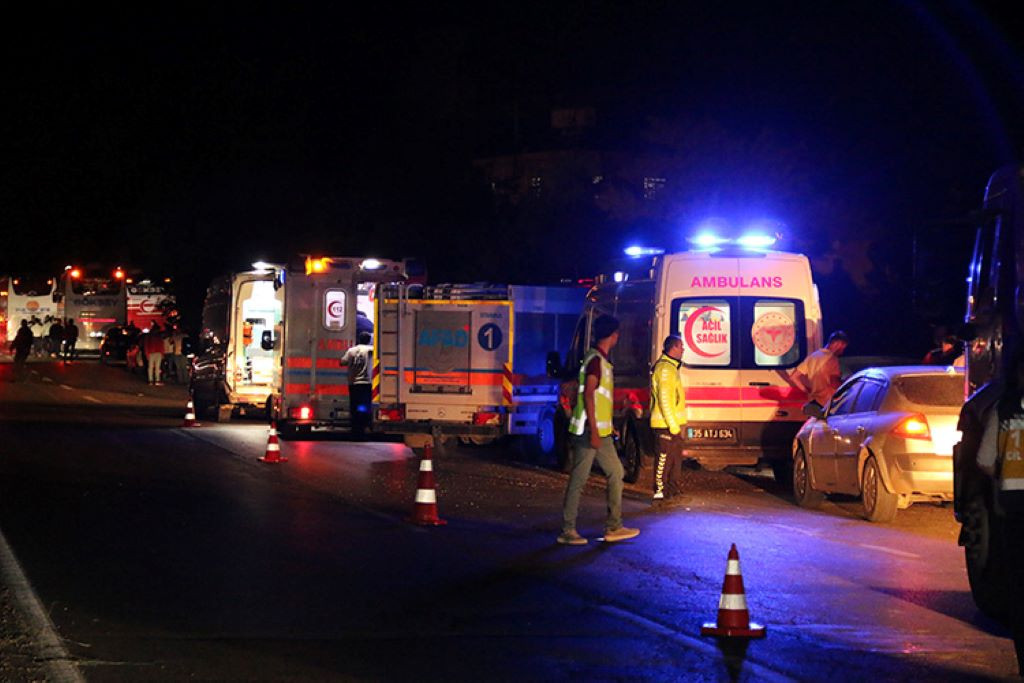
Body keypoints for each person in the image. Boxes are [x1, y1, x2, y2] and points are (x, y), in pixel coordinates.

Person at [559, 314, 640, 545]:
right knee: (579, 479)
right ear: (613, 335)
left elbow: (598, 398)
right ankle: (568, 530)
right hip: (589, 431)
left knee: (616, 472)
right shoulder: (596, 361)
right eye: (617, 333)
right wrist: (595, 430)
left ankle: (614, 526)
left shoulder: (599, 360)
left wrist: (608, 426)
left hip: (600, 432)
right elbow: (589, 394)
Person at [650, 335, 687, 504]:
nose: (683, 349)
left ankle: (673, 490)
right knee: (664, 460)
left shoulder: (671, 367)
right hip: (665, 425)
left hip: (673, 424)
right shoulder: (665, 369)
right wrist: (673, 426)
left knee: (674, 460)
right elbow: (665, 400)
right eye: (681, 346)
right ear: (673, 347)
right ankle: (660, 492)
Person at [790, 330, 849, 407]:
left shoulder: (813, 356)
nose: (842, 352)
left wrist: (807, 391)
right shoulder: (832, 359)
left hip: (815, 402)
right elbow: (835, 384)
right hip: (829, 404)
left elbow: (793, 377)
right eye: (842, 348)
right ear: (837, 343)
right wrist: (846, 383)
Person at [340, 331, 374, 436]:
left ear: (359, 339)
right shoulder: (371, 350)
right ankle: (365, 425)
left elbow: (342, 362)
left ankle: (355, 426)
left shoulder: (351, 351)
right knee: (366, 405)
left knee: (354, 405)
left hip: (354, 383)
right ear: (369, 340)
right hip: (367, 383)